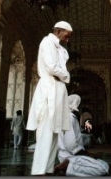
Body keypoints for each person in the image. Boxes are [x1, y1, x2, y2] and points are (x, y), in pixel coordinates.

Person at [26, 21, 73, 176]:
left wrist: (63, 76)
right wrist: (67, 75)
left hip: (58, 90)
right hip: (49, 89)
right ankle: (39, 170)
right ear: (59, 31)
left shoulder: (58, 47)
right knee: (46, 130)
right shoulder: (47, 43)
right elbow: (52, 67)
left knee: (54, 132)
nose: (68, 39)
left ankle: (47, 168)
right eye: (67, 35)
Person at [54, 94, 109, 176]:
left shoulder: (67, 117)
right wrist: (88, 154)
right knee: (102, 169)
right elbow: (71, 145)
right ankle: (64, 166)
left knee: (103, 163)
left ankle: (67, 169)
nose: (80, 107)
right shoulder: (69, 118)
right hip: (71, 157)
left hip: (73, 157)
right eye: (79, 105)